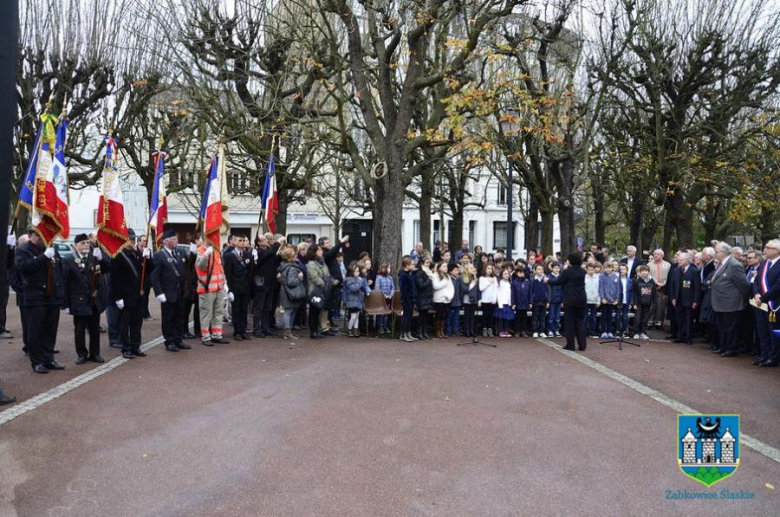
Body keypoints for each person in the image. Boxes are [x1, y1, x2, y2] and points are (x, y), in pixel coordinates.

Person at [15, 227, 66, 373]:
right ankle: (36, 361)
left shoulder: (50, 247)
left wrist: (60, 292)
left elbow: (60, 270)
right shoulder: (23, 250)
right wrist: (43, 257)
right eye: (37, 234)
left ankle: (48, 358)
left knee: (50, 329)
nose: (40, 237)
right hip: (35, 295)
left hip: (52, 295)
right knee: (35, 330)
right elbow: (24, 267)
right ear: (30, 235)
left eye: (42, 234)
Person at [61, 233, 110, 363]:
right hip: (79, 300)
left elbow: (106, 269)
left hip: (94, 300)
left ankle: (95, 353)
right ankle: (82, 354)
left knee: (94, 329)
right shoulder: (68, 260)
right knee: (79, 329)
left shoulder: (94, 258)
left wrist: (101, 259)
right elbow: (64, 283)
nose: (86, 245)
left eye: (88, 243)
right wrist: (65, 304)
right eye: (83, 243)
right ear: (76, 246)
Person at [709, 243, 752, 357]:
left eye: (717, 251)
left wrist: (742, 299)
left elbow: (744, 284)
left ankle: (731, 348)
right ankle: (724, 346)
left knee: (731, 327)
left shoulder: (734, 265)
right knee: (722, 326)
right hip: (720, 302)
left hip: (731, 302)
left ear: (723, 252)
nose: (715, 253)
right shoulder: (722, 264)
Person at [111, 236, 150, 358]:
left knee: (137, 323)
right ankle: (126, 348)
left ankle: (135, 346)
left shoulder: (138, 254)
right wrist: (118, 297)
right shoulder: (117, 256)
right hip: (125, 296)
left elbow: (148, 271)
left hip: (138, 296)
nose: (130, 242)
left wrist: (148, 259)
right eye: (128, 240)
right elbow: (115, 278)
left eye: (132, 240)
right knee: (124, 324)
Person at [151, 229, 189, 352]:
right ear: (166, 241)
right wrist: (159, 292)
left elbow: (187, 268)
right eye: (174, 239)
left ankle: (178, 339)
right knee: (168, 318)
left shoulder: (180, 252)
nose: (176, 241)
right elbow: (155, 276)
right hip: (167, 292)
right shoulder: (159, 255)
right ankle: (169, 341)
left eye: (176, 239)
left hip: (180, 291)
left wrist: (193, 254)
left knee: (179, 317)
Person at [545, 253, 588, 351]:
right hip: (581, 298)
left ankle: (570, 345)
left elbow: (558, 282)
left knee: (569, 322)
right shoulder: (582, 271)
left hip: (570, 299)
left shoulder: (567, 272)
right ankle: (582, 344)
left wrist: (548, 280)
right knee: (580, 322)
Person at [195, 240, 229, 346]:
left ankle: (217, 335)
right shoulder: (199, 251)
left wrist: (225, 283)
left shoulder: (216, 251)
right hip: (206, 288)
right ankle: (205, 336)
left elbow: (220, 269)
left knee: (219, 312)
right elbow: (201, 266)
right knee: (206, 313)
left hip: (219, 287)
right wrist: (206, 255)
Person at [753, 240, 780, 367]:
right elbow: (757, 281)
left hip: (774, 305)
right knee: (762, 330)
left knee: (772, 331)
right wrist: (756, 294)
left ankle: (773, 357)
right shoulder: (764, 263)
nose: (765, 250)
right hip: (761, 303)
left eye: (769, 248)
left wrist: (763, 298)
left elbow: (778, 287)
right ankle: (764, 354)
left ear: (777, 250)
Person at [251, 234, 283, 338]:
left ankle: (265, 327)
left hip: (270, 282)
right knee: (259, 307)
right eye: (264, 239)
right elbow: (266, 256)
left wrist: (280, 254)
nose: (266, 241)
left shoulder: (269, 251)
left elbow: (274, 261)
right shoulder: (257, 252)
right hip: (261, 283)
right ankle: (256, 328)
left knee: (267, 307)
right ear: (259, 243)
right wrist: (277, 243)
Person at [223, 234, 252, 341]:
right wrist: (229, 290)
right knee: (236, 310)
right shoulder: (230, 256)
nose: (243, 242)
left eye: (244, 240)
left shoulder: (247, 254)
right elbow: (228, 273)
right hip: (235, 287)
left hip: (245, 287)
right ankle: (237, 332)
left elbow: (250, 271)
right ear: (234, 242)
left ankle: (243, 330)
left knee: (244, 310)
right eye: (240, 240)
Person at [670, 252, 701, 345]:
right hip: (678, 299)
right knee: (680, 319)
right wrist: (673, 298)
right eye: (679, 259)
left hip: (689, 299)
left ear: (687, 260)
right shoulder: (676, 271)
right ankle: (680, 336)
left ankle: (688, 337)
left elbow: (697, 287)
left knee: (689, 319)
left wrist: (696, 300)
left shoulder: (694, 271)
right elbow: (672, 285)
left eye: (681, 260)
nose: (679, 261)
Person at [320, 235, 349, 334]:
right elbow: (332, 253)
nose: (330, 244)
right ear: (322, 245)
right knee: (327, 304)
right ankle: (325, 325)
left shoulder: (330, 253)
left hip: (335, 283)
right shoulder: (325, 254)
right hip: (330, 283)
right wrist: (340, 242)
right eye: (327, 243)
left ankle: (329, 322)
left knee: (332, 304)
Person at [279, 246, 306, 340]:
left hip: (286, 292)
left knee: (290, 311)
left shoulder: (284, 265)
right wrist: (300, 277)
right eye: (294, 254)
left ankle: (288, 330)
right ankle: (287, 331)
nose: (296, 256)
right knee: (289, 311)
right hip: (290, 293)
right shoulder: (292, 268)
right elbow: (291, 282)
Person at [305, 243, 330, 340]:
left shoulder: (322, 263)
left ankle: (318, 329)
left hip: (322, 290)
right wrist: (323, 283)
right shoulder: (311, 264)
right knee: (313, 311)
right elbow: (314, 277)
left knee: (319, 310)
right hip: (315, 290)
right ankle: (313, 331)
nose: (321, 252)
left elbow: (327, 273)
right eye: (319, 250)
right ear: (314, 253)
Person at [648, 249, 671, 330]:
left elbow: (669, 276)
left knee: (661, 306)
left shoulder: (668, 265)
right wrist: (656, 283)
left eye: (658, 254)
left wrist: (663, 284)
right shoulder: (649, 265)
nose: (655, 255)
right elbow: (648, 276)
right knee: (651, 305)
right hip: (652, 288)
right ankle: (649, 322)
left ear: (662, 256)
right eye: (655, 254)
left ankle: (659, 322)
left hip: (663, 289)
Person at [344, 264, 369, 337]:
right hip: (352, 302)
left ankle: (355, 329)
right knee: (353, 316)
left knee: (357, 316)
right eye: (357, 271)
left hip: (358, 301)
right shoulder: (349, 280)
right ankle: (349, 329)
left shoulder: (358, 279)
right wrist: (359, 282)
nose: (358, 273)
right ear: (352, 272)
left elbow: (362, 288)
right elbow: (354, 288)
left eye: (358, 271)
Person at [632, 265, 656, 340]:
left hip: (648, 303)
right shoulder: (637, 281)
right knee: (637, 318)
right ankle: (636, 332)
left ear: (648, 272)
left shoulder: (652, 281)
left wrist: (654, 302)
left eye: (646, 271)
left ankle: (643, 332)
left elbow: (654, 293)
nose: (644, 272)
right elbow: (634, 293)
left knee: (645, 318)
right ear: (640, 272)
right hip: (639, 303)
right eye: (642, 271)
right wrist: (634, 303)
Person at [598, 261, 621, 339]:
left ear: (612, 268)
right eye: (606, 268)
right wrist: (602, 298)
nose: (608, 269)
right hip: (605, 300)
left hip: (612, 300)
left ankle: (610, 331)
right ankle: (603, 331)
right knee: (604, 316)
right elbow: (600, 288)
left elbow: (618, 289)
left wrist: (617, 299)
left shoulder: (615, 276)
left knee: (610, 317)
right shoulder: (602, 276)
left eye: (609, 267)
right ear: (604, 268)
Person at [431, 261, 454, 338]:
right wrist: (444, 282)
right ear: (439, 267)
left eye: (446, 266)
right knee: (439, 315)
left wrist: (449, 296)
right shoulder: (435, 275)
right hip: (439, 299)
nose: (445, 268)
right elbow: (436, 286)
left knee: (444, 316)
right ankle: (437, 331)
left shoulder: (447, 276)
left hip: (446, 299)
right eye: (443, 266)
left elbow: (451, 287)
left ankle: (442, 330)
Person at [415, 256, 434, 340]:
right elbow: (420, 285)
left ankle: (424, 332)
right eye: (426, 263)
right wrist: (429, 280)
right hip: (421, 297)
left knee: (426, 316)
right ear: (422, 263)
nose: (428, 264)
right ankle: (419, 333)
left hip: (427, 297)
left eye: (429, 263)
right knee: (421, 316)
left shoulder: (429, 272)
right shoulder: (420, 272)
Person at [399, 257, 417, 342]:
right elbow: (404, 290)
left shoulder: (410, 274)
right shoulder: (403, 275)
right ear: (407, 265)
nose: (414, 266)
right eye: (412, 264)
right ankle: (403, 333)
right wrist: (406, 300)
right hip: (406, 300)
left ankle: (408, 332)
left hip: (411, 298)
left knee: (410, 316)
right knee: (406, 317)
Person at [478, 264, 498, 337]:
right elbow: (481, 288)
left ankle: (490, 329)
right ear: (485, 270)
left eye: (491, 269)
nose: (489, 270)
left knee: (491, 316)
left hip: (491, 300)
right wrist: (489, 283)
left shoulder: (494, 278)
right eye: (488, 268)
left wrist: (494, 299)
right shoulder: (481, 278)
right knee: (485, 315)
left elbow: (496, 289)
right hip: (484, 300)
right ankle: (484, 329)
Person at [530, 264, 549, 338]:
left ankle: (542, 331)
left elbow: (548, 291)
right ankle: (534, 331)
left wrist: (548, 301)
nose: (540, 271)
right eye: (539, 269)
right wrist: (531, 301)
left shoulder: (545, 280)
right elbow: (531, 291)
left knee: (542, 317)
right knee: (535, 317)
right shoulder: (533, 280)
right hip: (535, 301)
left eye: (542, 269)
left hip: (544, 301)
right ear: (535, 271)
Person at [374, 263, 394, 334]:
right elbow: (377, 289)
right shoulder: (378, 278)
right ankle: (380, 326)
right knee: (381, 313)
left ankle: (386, 326)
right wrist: (384, 295)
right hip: (381, 299)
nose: (389, 270)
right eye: (388, 268)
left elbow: (392, 288)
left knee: (386, 314)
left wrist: (391, 295)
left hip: (389, 298)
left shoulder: (390, 278)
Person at [511, 266, 530, 338]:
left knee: (524, 318)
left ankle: (523, 331)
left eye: (523, 272)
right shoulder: (514, 282)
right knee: (517, 318)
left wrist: (530, 302)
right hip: (517, 303)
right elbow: (513, 294)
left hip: (525, 303)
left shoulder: (527, 282)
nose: (521, 274)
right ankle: (517, 331)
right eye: (520, 272)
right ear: (516, 273)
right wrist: (513, 303)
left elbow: (529, 293)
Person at [495, 267, 514, 338]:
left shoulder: (509, 283)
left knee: (507, 318)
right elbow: (498, 293)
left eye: (507, 274)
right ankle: (501, 331)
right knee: (501, 318)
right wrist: (500, 304)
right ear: (502, 275)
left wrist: (510, 303)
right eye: (505, 274)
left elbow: (510, 294)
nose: (506, 275)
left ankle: (506, 331)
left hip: (508, 303)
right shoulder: (500, 283)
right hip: (502, 303)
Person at [461, 264, 479, 338]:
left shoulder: (475, 278)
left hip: (473, 300)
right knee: (467, 316)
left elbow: (478, 290)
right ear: (467, 270)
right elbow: (464, 289)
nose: (473, 269)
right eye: (471, 268)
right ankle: (466, 331)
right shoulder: (463, 278)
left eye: (473, 268)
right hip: (467, 300)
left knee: (472, 316)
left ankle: (472, 330)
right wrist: (472, 284)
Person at [546, 262, 563, 338]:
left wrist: (563, 300)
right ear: (552, 268)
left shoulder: (561, 277)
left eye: (558, 268)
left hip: (559, 299)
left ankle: (556, 330)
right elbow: (548, 290)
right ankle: (550, 330)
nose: (557, 269)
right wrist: (548, 300)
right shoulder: (548, 277)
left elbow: (563, 289)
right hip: (552, 300)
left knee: (557, 317)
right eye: (555, 268)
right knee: (551, 316)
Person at [585, 262, 600, 338]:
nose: (590, 271)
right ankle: (584, 331)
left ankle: (592, 331)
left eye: (592, 270)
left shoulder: (597, 278)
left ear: (594, 270)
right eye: (589, 269)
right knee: (585, 317)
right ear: (586, 270)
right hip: (586, 301)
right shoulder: (584, 278)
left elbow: (599, 290)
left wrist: (598, 300)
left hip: (594, 300)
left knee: (593, 317)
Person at [446, 264, 462, 337]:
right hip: (450, 302)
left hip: (458, 301)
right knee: (449, 317)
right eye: (455, 270)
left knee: (456, 317)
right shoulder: (449, 280)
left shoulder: (459, 279)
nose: (457, 272)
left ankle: (455, 331)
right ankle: (448, 331)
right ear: (450, 272)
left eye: (458, 270)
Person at [616, 264, 632, 336]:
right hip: (619, 301)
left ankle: (624, 330)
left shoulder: (629, 280)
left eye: (624, 269)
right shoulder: (617, 279)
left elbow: (631, 292)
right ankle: (618, 330)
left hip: (626, 301)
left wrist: (631, 302)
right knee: (618, 316)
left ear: (627, 270)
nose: (622, 271)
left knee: (625, 317)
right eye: (621, 269)